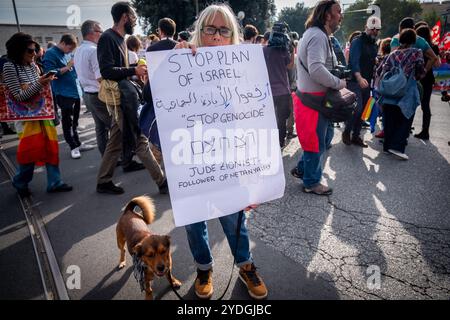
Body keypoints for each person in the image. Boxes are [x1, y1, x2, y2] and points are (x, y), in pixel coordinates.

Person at [174, 3, 268, 300]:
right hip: (191, 159)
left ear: (232, 35)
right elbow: (161, 104)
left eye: (223, 30)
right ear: (199, 31)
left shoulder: (244, 66)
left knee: (234, 217)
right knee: (194, 220)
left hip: (230, 159)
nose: (216, 36)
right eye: (210, 29)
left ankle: (246, 265)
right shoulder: (180, 60)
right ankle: (204, 268)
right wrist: (172, 64)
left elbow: (256, 115)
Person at [96, 1, 167, 194]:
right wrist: (133, 70)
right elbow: (106, 70)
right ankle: (162, 182)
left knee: (115, 140)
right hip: (120, 100)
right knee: (140, 139)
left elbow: (121, 73)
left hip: (124, 98)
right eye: (133, 17)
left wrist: (136, 73)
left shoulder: (120, 39)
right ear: (125, 17)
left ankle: (103, 180)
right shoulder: (107, 38)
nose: (135, 21)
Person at [3, 32, 73, 197]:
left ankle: (55, 182)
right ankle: (20, 182)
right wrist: (40, 83)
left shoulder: (34, 66)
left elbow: (36, 89)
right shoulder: (9, 67)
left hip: (42, 114)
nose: (34, 54)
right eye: (30, 51)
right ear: (18, 51)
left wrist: (44, 82)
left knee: (50, 147)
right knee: (30, 152)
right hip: (26, 119)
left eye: (35, 50)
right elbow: (19, 96)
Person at [290, 0, 346, 195]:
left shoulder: (317, 34)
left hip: (315, 99)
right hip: (313, 101)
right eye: (338, 11)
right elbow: (316, 69)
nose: (341, 15)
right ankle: (312, 182)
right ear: (327, 15)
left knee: (322, 138)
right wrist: (338, 83)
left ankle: (304, 169)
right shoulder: (317, 36)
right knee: (316, 142)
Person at [43, 34, 95, 159]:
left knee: (75, 120)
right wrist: (67, 67)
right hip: (63, 92)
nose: (71, 51)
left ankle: (77, 143)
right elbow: (48, 74)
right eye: (70, 49)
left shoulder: (67, 53)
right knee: (67, 122)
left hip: (75, 91)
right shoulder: (50, 53)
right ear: (64, 43)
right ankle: (73, 146)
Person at [378, 28, 426, 160]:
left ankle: (387, 147)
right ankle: (397, 147)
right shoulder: (417, 53)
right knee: (405, 118)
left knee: (390, 119)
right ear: (413, 40)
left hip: (389, 91)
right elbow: (420, 72)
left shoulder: (392, 54)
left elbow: (381, 71)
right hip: (406, 91)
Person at [73, 20, 112, 156]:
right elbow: (100, 77)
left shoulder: (79, 50)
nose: (102, 34)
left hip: (88, 94)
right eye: (100, 31)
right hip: (98, 94)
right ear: (92, 33)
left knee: (100, 128)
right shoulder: (94, 50)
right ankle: (118, 158)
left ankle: (107, 157)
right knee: (115, 127)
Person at [342, 16, 380, 148]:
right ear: (366, 28)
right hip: (354, 80)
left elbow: (371, 59)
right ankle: (347, 131)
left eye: (376, 29)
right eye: (372, 29)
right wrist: (358, 77)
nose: (374, 31)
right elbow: (354, 61)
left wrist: (375, 62)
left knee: (364, 110)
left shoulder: (374, 44)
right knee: (357, 109)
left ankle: (356, 136)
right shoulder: (357, 41)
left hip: (367, 81)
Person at [263, 27, 295, 148]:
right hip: (282, 91)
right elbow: (290, 66)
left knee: (270, 118)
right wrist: (292, 51)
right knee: (282, 119)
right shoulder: (283, 51)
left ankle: (269, 141)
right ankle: (280, 142)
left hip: (267, 92)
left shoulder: (263, 50)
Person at [413, 25, 440, 140]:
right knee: (425, 105)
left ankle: (407, 126)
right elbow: (437, 63)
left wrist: (423, 71)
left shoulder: (419, 45)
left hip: (417, 76)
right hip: (428, 78)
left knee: (411, 102)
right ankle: (425, 131)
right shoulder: (434, 47)